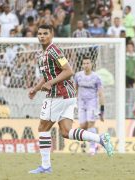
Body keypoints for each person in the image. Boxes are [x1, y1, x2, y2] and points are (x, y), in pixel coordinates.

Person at [28, 24, 113, 174]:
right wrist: (35, 89)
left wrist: (50, 83)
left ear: (52, 34)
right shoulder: (43, 54)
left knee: (43, 128)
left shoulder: (54, 51)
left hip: (58, 95)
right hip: (68, 96)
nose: (42, 36)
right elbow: (47, 76)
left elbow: (69, 71)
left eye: (45, 33)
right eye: (39, 33)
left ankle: (46, 166)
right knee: (66, 132)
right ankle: (100, 139)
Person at [74, 56, 105, 155]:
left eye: (88, 63)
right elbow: (75, 90)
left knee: (91, 124)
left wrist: (102, 109)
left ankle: (92, 148)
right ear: (82, 65)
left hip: (92, 103)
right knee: (83, 126)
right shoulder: (78, 76)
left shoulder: (96, 77)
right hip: (81, 104)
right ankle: (97, 141)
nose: (86, 65)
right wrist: (73, 103)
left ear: (91, 65)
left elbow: (100, 93)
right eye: (84, 63)